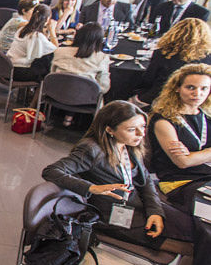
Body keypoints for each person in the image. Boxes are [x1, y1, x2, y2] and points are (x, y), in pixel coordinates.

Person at [42, 101, 193, 250]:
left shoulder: (130, 145)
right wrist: (92, 188)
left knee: (196, 229)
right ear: (109, 130)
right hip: (112, 217)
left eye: (143, 127)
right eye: (132, 129)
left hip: (137, 206)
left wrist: (155, 210)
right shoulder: (92, 149)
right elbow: (51, 171)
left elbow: (146, 180)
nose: (141, 134)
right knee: (193, 247)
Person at [148, 64, 211, 215]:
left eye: (204, 88)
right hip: (179, 182)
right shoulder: (164, 120)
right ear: (177, 88)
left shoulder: (207, 115)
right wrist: (202, 155)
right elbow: (182, 162)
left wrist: (194, 155)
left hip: (206, 177)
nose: (197, 93)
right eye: (191, 87)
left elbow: (189, 158)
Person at [135, 18, 211, 106]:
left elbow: (148, 79)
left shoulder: (163, 53)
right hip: (195, 101)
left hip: (158, 98)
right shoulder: (208, 57)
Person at [50, 22, 111, 126]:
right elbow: (104, 87)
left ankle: (66, 116)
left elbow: (52, 74)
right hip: (86, 99)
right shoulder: (101, 58)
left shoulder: (60, 51)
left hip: (56, 94)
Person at [6, 4, 58, 81]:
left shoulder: (23, 29)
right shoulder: (36, 36)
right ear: (47, 19)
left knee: (43, 60)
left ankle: (28, 92)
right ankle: (36, 92)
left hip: (9, 66)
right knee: (48, 61)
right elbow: (55, 48)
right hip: (18, 71)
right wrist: (52, 30)